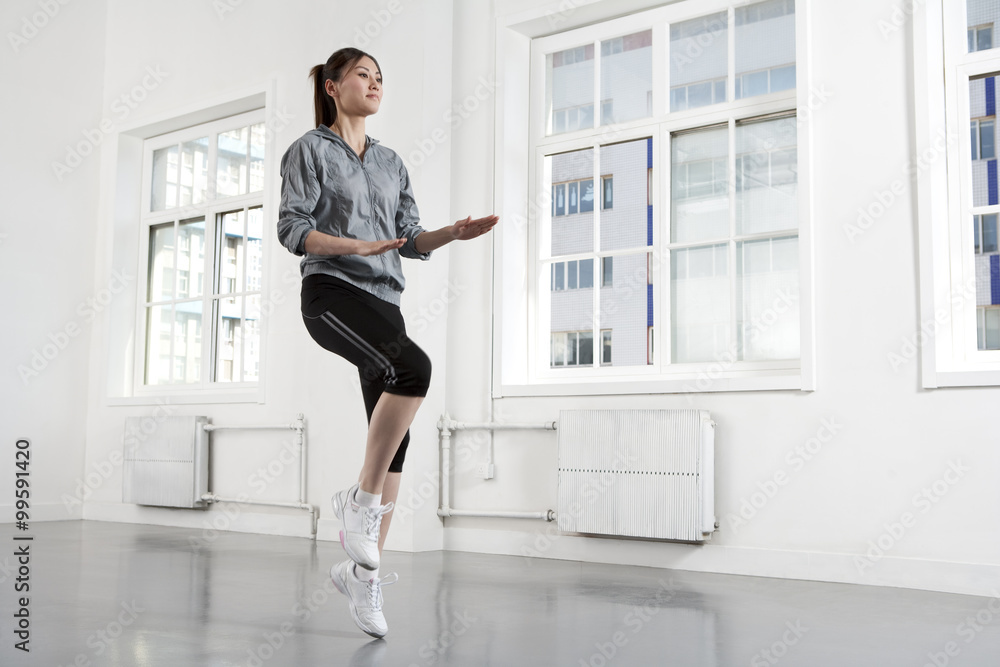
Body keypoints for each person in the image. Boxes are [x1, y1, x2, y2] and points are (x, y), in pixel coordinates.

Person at [275, 47, 498, 639]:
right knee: (415, 370)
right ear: (331, 86)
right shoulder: (308, 150)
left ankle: (362, 574)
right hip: (331, 294)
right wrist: (355, 247)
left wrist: (450, 234)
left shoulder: (392, 162)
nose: (374, 84)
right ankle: (359, 505)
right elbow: (292, 230)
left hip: (384, 303)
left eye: (380, 78)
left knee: (394, 440)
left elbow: (409, 239)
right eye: (363, 75)